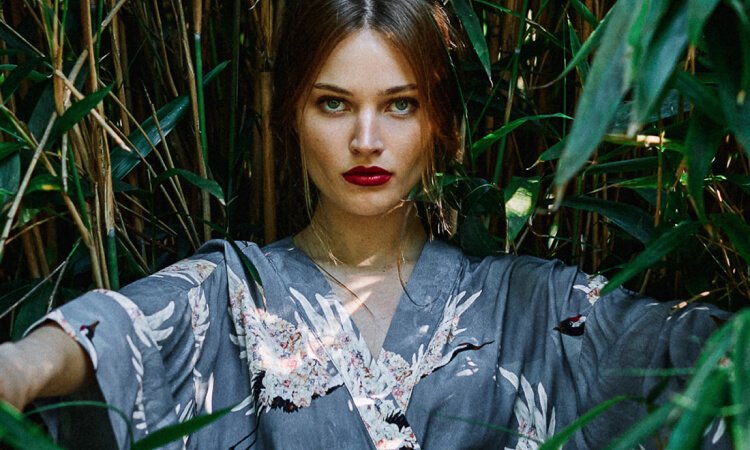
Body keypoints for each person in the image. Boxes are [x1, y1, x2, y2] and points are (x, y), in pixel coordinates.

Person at [0, 0, 732, 448]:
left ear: (440, 123)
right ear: (291, 115)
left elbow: (698, 357)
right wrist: (20, 366)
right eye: (334, 103)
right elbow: (122, 331)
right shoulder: (236, 291)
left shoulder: (527, 305)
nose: (366, 140)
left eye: (400, 105)